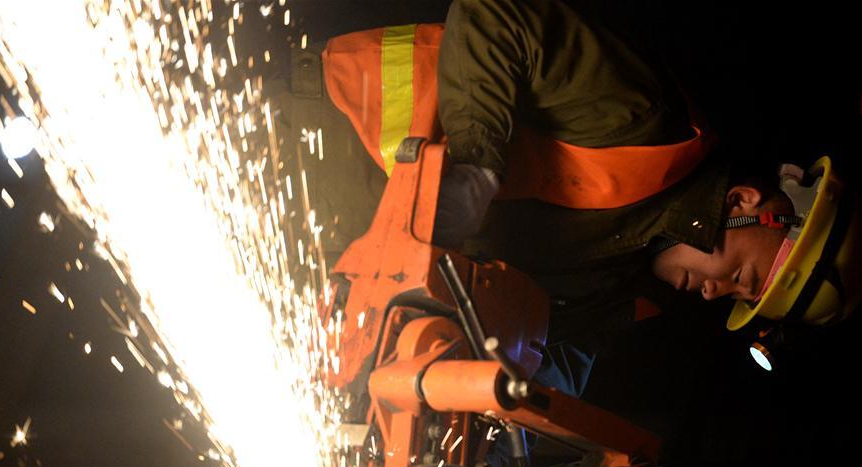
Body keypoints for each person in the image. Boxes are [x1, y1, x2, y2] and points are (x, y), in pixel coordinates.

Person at [276, 0, 859, 389]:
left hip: (322, 247)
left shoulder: (620, 287)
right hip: (318, 130)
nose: (714, 293)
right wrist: (478, 167)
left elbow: (539, 366)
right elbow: (489, 14)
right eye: (743, 277)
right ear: (745, 205)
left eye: (735, 298)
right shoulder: (642, 121)